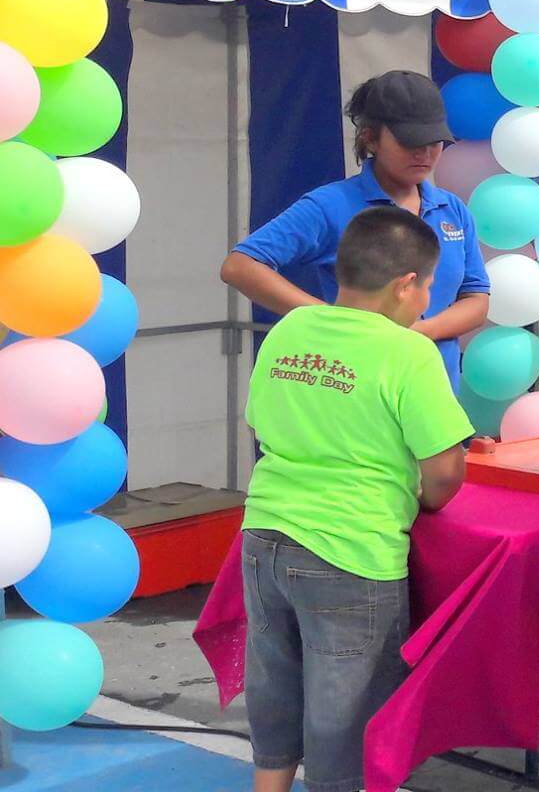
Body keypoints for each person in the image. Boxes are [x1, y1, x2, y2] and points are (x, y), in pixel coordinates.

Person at [239, 206, 472, 792]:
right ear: (405, 285)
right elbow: (444, 471)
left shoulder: (291, 328)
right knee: (346, 713)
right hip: (353, 551)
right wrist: (423, 500)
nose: (427, 305)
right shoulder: (408, 352)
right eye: (428, 289)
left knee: (274, 684)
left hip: (264, 536)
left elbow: (261, 424)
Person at [222, 71, 490, 384]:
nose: (424, 153)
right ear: (370, 138)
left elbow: (476, 299)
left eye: (434, 142)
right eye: (410, 141)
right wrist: (330, 320)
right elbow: (239, 266)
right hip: (357, 387)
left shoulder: (452, 209)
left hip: (436, 389)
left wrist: (419, 332)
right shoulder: (330, 204)